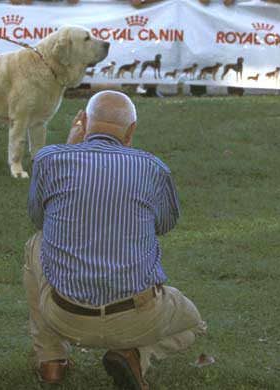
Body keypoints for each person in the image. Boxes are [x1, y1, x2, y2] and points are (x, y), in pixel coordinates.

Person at [24, 91, 206, 389]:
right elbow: (164, 224)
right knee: (194, 324)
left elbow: (40, 218)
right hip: (138, 317)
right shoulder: (154, 168)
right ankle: (134, 354)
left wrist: (69, 149)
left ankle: (51, 360)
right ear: (131, 130)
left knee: (36, 242)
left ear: (82, 123)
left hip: (65, 315)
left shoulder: (49, 159)